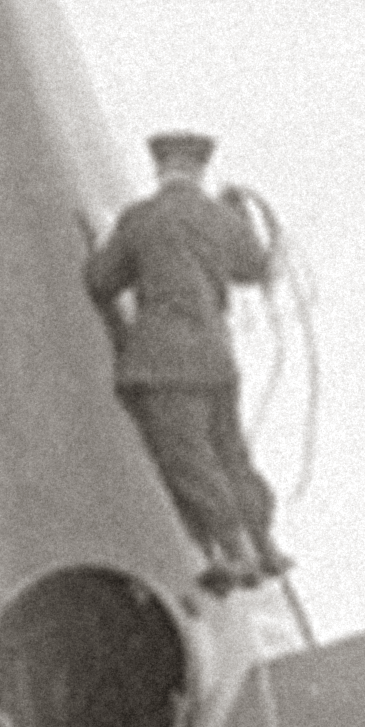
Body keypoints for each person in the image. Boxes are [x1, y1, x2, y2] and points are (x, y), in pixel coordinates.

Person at [81, 126, 288, 592]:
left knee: (187, 456)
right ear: (200, 170)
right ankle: (264, 542)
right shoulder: (220, 218)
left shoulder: (143, 218)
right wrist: (238, 214)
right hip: (217, 360)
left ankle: (235, 552)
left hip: (164, 361)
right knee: (231, 454)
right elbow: (257, 268)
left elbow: (101, 281)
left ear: (160, 169)